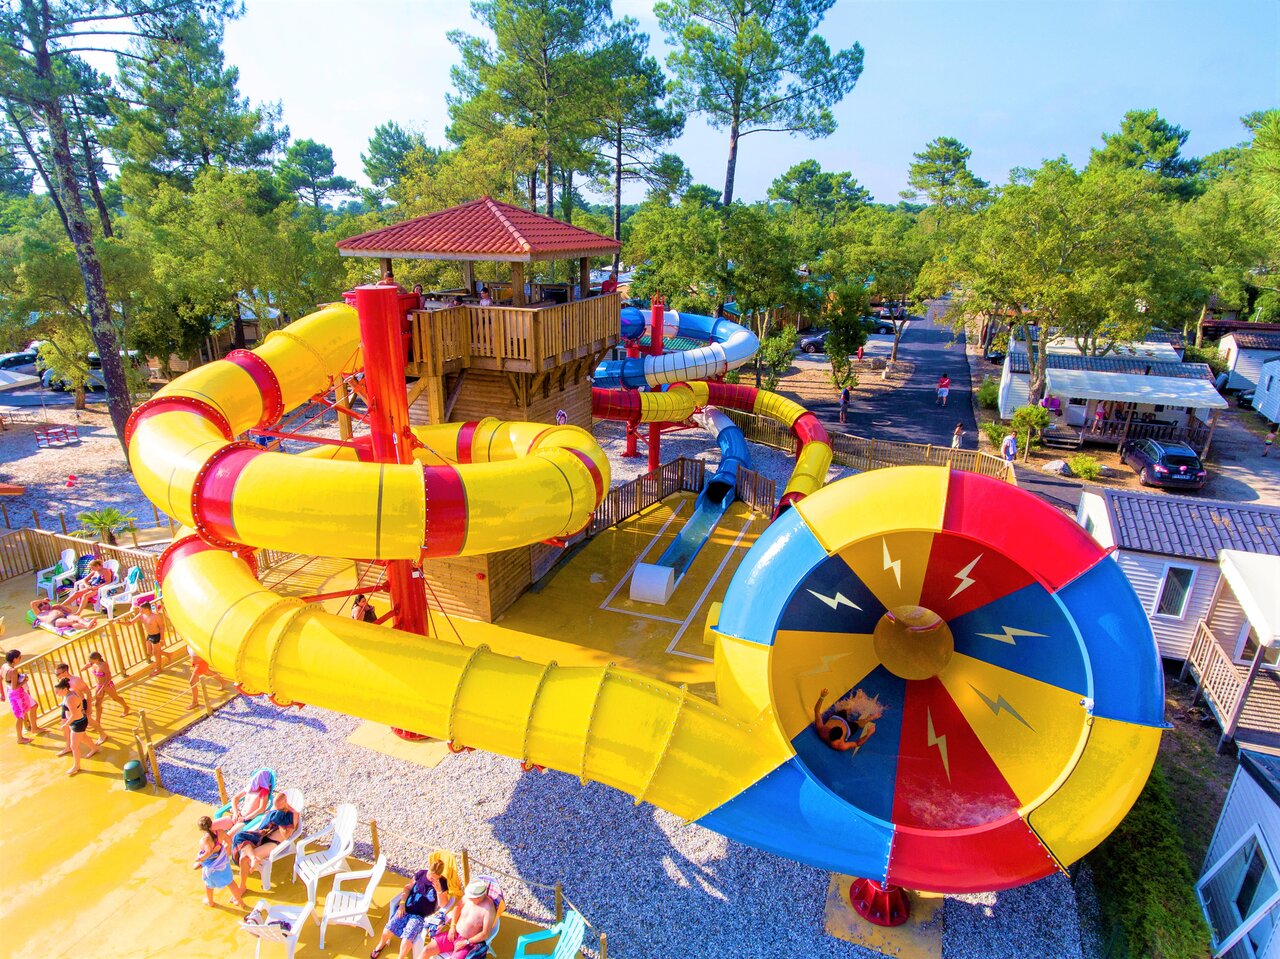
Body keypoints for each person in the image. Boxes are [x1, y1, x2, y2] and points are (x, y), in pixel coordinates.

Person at [371, 859, 452, 959]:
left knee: (407, 938)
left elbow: (443, 904)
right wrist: (402, 904)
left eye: (434, 878)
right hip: (406, 909)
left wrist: (439, 891)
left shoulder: (442, 882)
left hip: (420, 917)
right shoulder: (421, 874)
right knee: (389, 928)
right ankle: (380, 946)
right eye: (430, 875)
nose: (431, 878)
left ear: (439, 876)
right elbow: (407, 888)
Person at [231, 791, 298, 898]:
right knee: (238, 837)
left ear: (285, 802)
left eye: (278, 806)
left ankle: (242, 886)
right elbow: (265, 821)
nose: (276, 809)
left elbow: (286, 835)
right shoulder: (276, 811)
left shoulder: (293, 815)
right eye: (275, 807)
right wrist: (270, 815)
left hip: (272, 843)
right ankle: (253, 859)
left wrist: (279, 822)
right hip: (261, 836)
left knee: (244, 857)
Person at [420, 879, 498, 959]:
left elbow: (485, 934)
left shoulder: (489, 909)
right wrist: (453, 926)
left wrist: (466, 942)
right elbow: (457, 907)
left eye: (471, 897)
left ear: (478, 897)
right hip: (454, 934)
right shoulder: (468, 897)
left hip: (467, 944)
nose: (469, 898)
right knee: (426, 950)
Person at [194, 815, 245, 909]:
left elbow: (208, 852)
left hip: (212, 868)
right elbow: (229, 842)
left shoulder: (204, 841)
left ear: (201, 829)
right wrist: (225, 852)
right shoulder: (220, 832)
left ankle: (210, 902)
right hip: (223, 863)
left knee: (208, 885)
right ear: (211, 824)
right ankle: (241, 903)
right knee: (231, 882)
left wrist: (200, 858)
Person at [813, 687, 882, 753]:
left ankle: (856, 699)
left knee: (847, 709)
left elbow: (817, 711)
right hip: (849, 728)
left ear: (830, 731)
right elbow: (857, 743)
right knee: (860, 723)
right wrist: (868, 734)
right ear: (840, 737)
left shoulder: (822, 731)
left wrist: (822, 697)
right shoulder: (840, 745)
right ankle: (871, 718)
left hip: (838, 718)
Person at [54, 662, 103, 748]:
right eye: (55, 674)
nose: (56, 676)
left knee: (90, 721)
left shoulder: (76, 680)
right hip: (67, 705)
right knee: (65, 725)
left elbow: (88, 692)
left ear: (65, 672)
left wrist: (89, 707)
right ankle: (68, 746)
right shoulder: (61, 681)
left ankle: (102, 734)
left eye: (58, 674)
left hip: (79, 704)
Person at [55, 676, 96, 775]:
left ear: (64, 689)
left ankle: (76, 766)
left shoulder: (70, 698)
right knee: (83, 737)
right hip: (77, 721)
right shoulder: (71, 693)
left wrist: (66, 724)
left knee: (74, 746)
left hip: (78, 723)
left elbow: (74, 714)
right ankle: (94, 748)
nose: (56, 693)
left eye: (58, 691)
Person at [211, 769, 273, 835]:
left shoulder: (264, 793)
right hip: (238, 815)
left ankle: (221, 839)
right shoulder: (250, 788)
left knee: (227, 836)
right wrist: (235, 813)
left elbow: (261, 809)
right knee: (211, 827)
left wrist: (244, 819)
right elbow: (235, 798)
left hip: (247, 821)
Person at [82, 651, 129, 734]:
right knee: (97, 704)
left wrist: (102, 689)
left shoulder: (103, 665)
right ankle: (97, 722)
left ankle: (126, 707)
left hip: (107, 685)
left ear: (96, 659)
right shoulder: (94, 664)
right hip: (99, 685)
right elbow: (84, 668)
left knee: (115, 698)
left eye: (90, 660)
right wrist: (85, 667)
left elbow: (108, 678)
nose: (89, 661)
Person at [3, 648, 43, 744]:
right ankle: (19, 738)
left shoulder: (4, 666)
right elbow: (14, 687)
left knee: (34, 705)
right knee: (20, 716)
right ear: (14, 659)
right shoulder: (13, 670)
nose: (20, 659)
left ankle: (34, 728)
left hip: (17, 693)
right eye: (19, 657)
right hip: (16, 695)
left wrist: (2, 693)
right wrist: (24, 681)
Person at [188, 642, 231, 709]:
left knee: (192, 682)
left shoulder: (199, 640)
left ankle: (195, 702)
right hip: (196, 663)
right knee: (208, 672)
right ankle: (223, 681)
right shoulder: (188, 640)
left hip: (200, 664)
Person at [28, 598, 93, 632]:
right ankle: (86, 627)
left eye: (45, 603)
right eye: (41, 605)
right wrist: (44, 600)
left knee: (77, 618)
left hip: (65, 616)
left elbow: (69, 611)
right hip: (55, 621)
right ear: (39, 608)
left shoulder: (54, 608)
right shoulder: (39, 613)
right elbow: (32, 603)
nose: (44, 605)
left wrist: (61, 606)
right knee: (72, 622)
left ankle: (87, 624)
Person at [139, 601, 169, 675]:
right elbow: (130, 622)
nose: (140, 610)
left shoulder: (155, 616)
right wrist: (119, 622)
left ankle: (159, 669)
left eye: (141, 609)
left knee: (156, 653)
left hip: (156, 635)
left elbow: (162, 627)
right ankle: (167, 654)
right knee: (150, 652)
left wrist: (162, 638)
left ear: (146, 609)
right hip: (150, 635)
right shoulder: (142, 615)